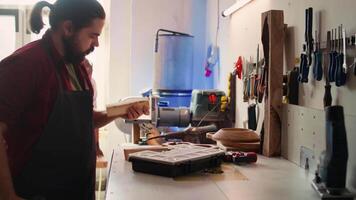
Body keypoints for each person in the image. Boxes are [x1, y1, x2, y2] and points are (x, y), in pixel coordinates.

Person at [0, 0, 149, 199]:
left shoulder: (78, 66)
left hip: (76, 189)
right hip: (34, 190)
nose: (96, 43)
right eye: (92, 35)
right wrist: (8, 195)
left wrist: (121, 111)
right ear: (68, 28)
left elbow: (82, 119)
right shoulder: (26, 64)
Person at [82, 58, 104, 157]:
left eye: (89, 75)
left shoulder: (92, 84)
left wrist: (97, 145)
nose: (87, 79)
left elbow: (93, 116)